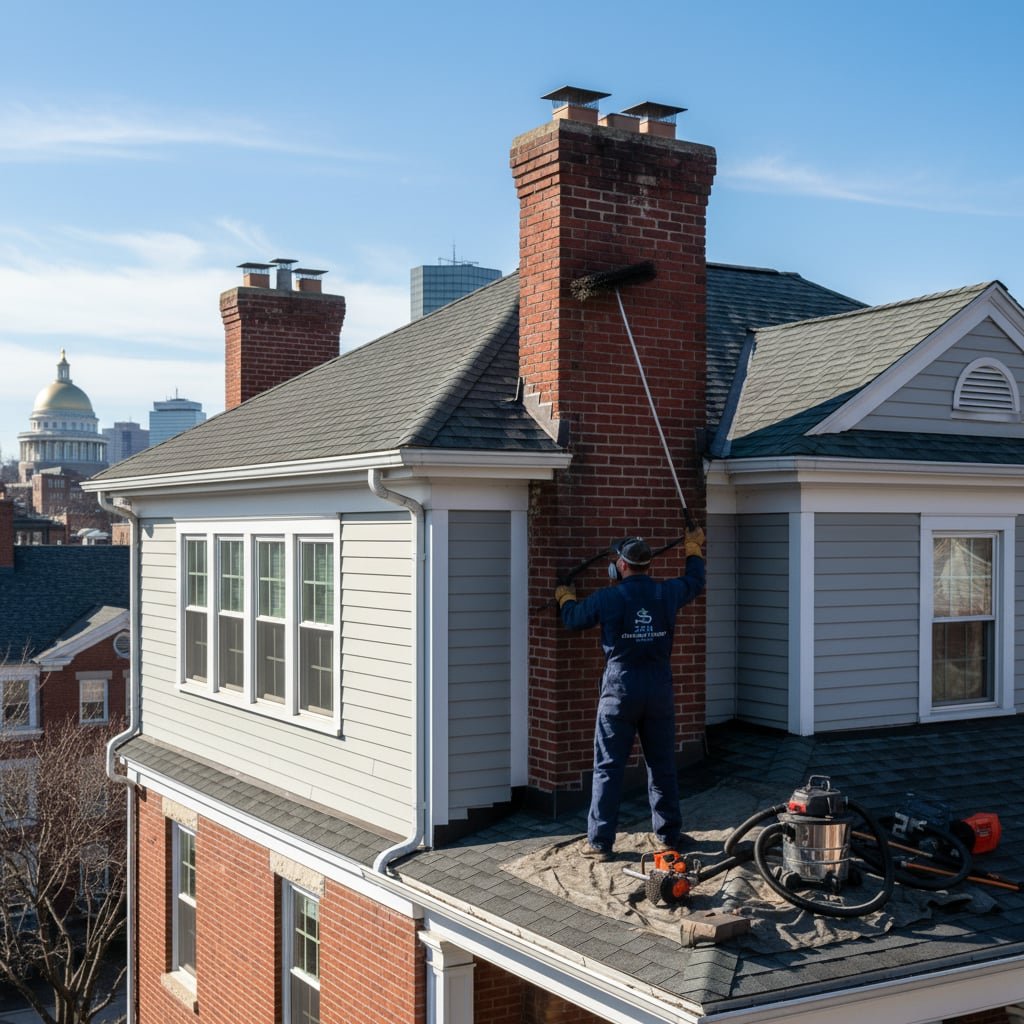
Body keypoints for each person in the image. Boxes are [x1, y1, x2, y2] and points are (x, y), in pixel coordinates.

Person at [554, 529, 706, 861]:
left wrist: (565, 597)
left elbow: (574, 619)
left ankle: (601, 843)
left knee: (609, 767)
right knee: (662, 765)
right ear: (646, 565)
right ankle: (668, 836)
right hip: (658, 690)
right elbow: (694, 581)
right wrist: (693, 550)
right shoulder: (666, 593)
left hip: (620, 691)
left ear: (621, 565)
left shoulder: (608, 599)